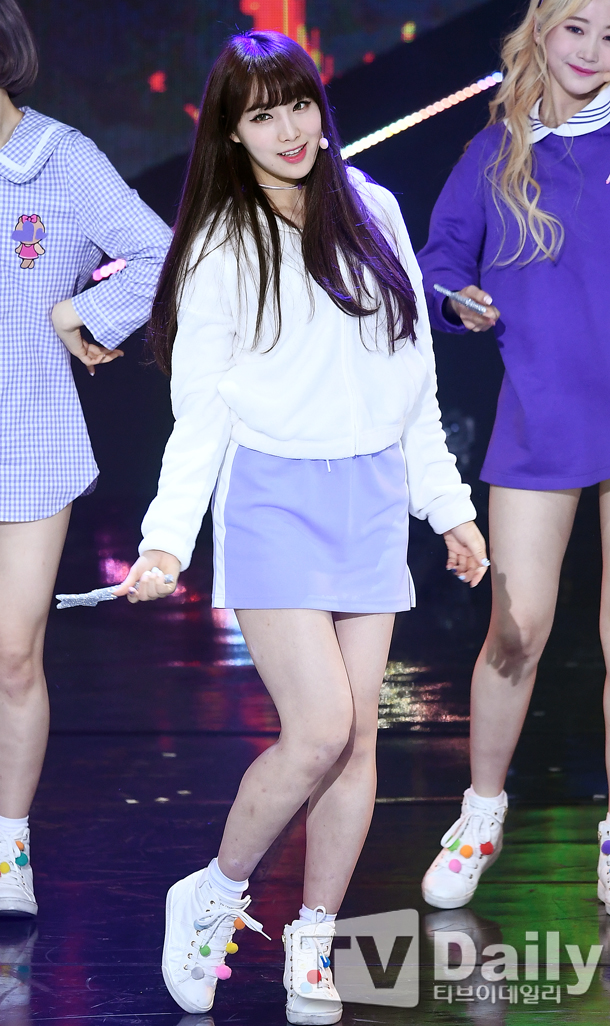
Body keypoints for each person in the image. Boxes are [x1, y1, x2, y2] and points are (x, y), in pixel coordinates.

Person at [115, 29, 488, 1024]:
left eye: (297, 105)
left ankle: (313, 940)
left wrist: (447, 507)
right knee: (320, 728)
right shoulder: (220, 245)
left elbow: (412, 381)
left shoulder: (375, 210)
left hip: (372, 498)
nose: (286, 129)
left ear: (321, 108)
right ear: (231, 133)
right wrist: (165, 539)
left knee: (358, 743)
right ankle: (214, 892)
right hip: (273, 496)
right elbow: (200, 412)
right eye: (261, 114)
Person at [0, 0, 171, 917]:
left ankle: (7, 844)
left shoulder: (59, 157)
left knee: (10, 652)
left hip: (23, 428)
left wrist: (85, 314)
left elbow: (158, 254)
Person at [417, 0, 610, 911]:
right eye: (577, 27)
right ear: (541, 28)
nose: (593, 50)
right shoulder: (497, 152)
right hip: (541, 415)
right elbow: (440, 261)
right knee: (518, 628)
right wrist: (458, 298)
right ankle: (482, 810)